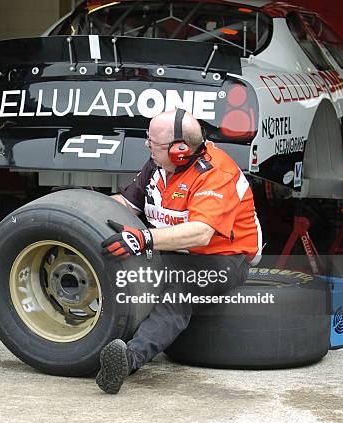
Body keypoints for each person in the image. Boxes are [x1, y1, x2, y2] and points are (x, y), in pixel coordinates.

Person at [96, 109, 262, 393]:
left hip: (224, 259)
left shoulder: (216, 173)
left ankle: (128, 359)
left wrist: (144, 239)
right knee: (118, 262)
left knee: (177, 293)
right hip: (176, 253)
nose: (147, 145)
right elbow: (125, 205)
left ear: (180, 150)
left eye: (153, 142)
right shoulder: (158, 165)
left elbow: (201, 232)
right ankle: (92, 343)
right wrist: (80, 208)